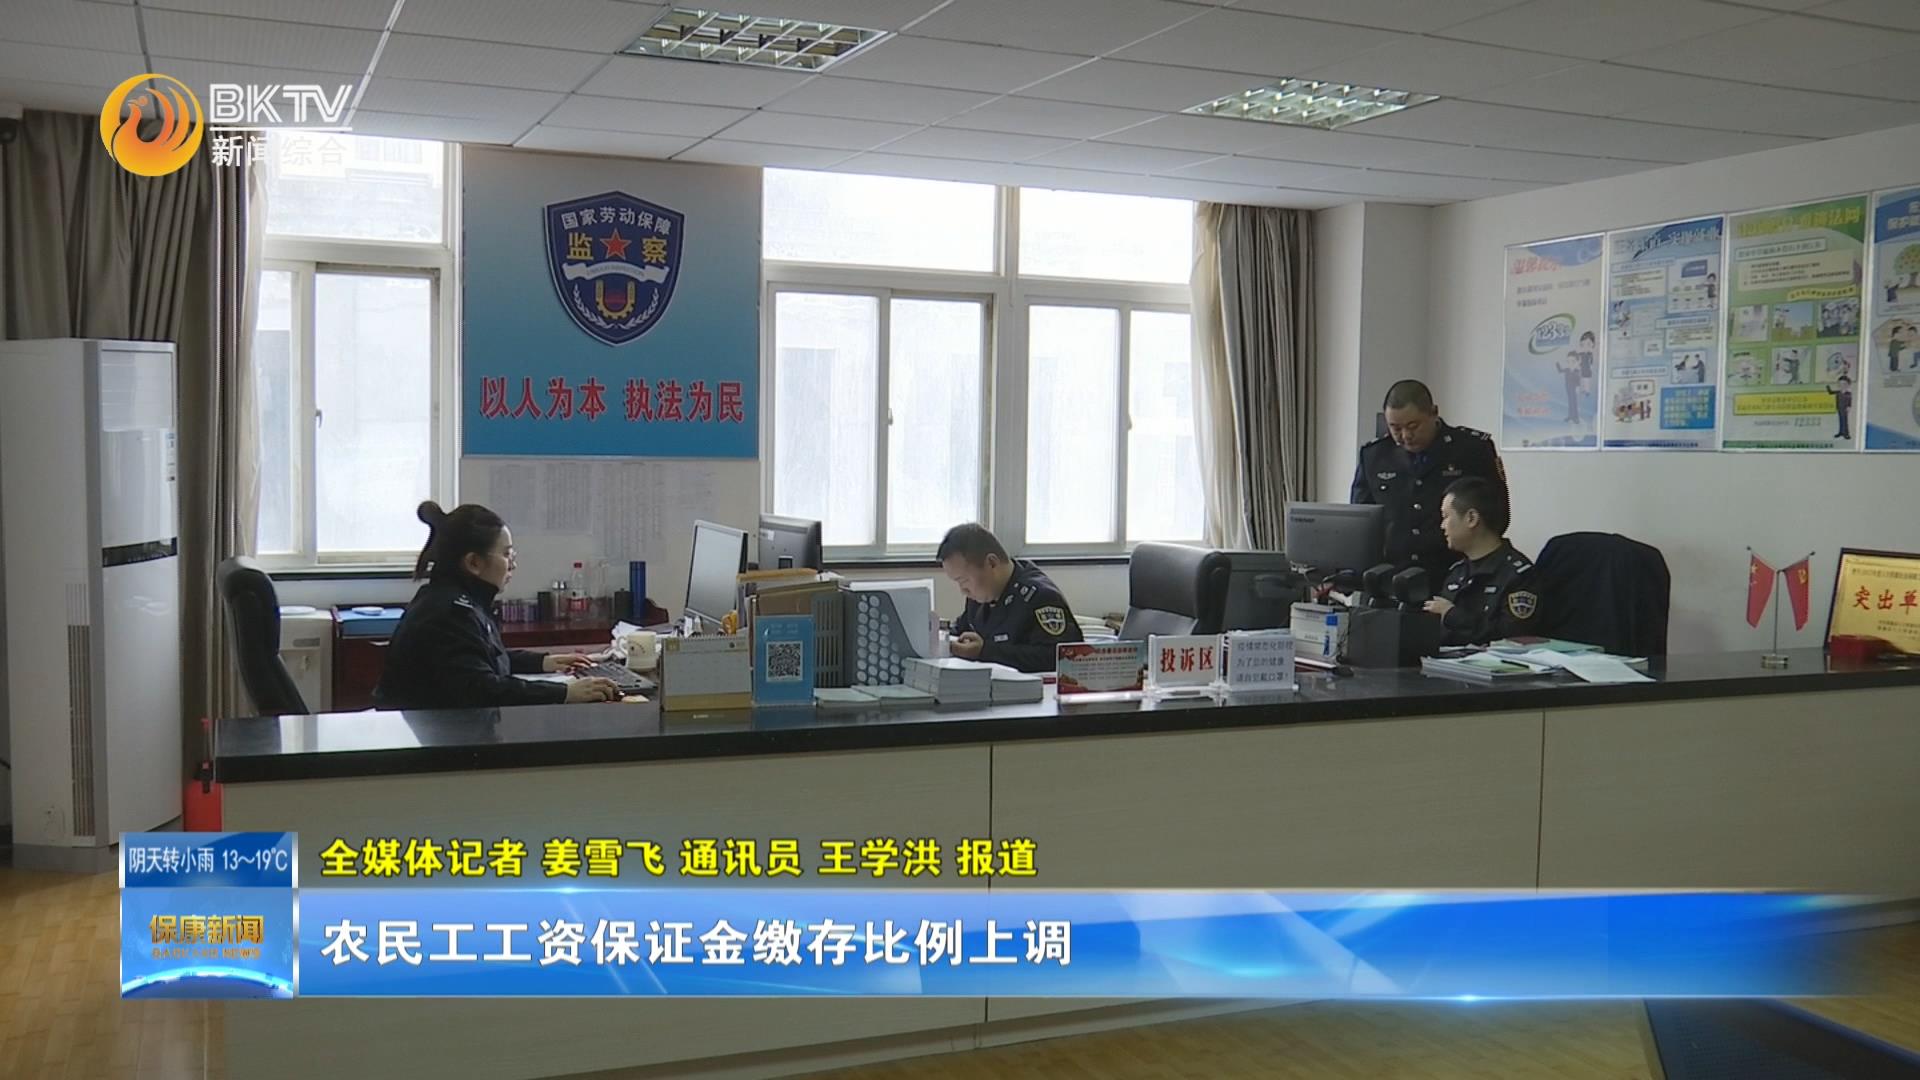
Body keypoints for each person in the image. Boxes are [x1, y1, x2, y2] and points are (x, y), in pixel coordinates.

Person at [374, 501, 620, 709]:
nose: (513, 565)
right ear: (473, 562)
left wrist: (545, 662)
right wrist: (564, 693)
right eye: (506, 554)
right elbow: (481, 688)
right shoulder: (449, 614)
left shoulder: (450, 598)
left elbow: (484, 659)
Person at [1351, 379, 1507, 588]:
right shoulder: (1374, 455)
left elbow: (1498, 514)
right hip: (1392, 578)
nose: (1405, 436)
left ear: (1434, 413)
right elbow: (1361, 520)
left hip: (1455, 575)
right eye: (1395, 428)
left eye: (1413, 426)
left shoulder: (1471, 449)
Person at [938, 523, 1082, 673]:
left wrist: (985, 652)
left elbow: (1058, 657)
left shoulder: (1040, 598)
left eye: (964, 580)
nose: (963, 590)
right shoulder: (981, 596)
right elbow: (961, 630)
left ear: (991, 563)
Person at [1422, 477, 1540, 647]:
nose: (1442, 526)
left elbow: (1512, 636)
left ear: (1471, 518)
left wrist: (1452, 615)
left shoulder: (1518, 576)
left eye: (1446, 516)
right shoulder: (1458, 571)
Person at [1828, 374, 1854, 440]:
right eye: (1840, 384)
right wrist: (1827, 386)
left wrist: (1849, 406)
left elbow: (1849, 400)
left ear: (1848, 385)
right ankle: (1841, 432)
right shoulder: (1838, 392)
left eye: (1844, 384)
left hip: (1845, 409)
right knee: (1841, 421)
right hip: (1839, 408)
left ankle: (1846, 434)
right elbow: (1830, 392)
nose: (1842, 386)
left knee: (1845, 421)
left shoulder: (1848, 393)